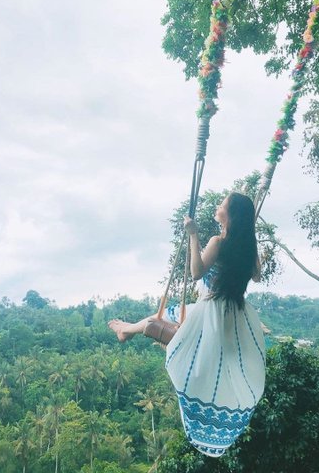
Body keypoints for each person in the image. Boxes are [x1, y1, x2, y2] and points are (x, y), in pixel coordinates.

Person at [109, 192, 266, 457]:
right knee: (168, 322)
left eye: (222, 204)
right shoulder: (249, 251)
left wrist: (193, 235)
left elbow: (196, 272)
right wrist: (246, 244)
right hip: (236, 314)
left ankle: (127, 329)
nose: (218, 206)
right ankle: (126, 330)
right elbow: (257, 275)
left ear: (229, 215)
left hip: (211, 310)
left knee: (162, 322)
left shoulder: (218, 242)